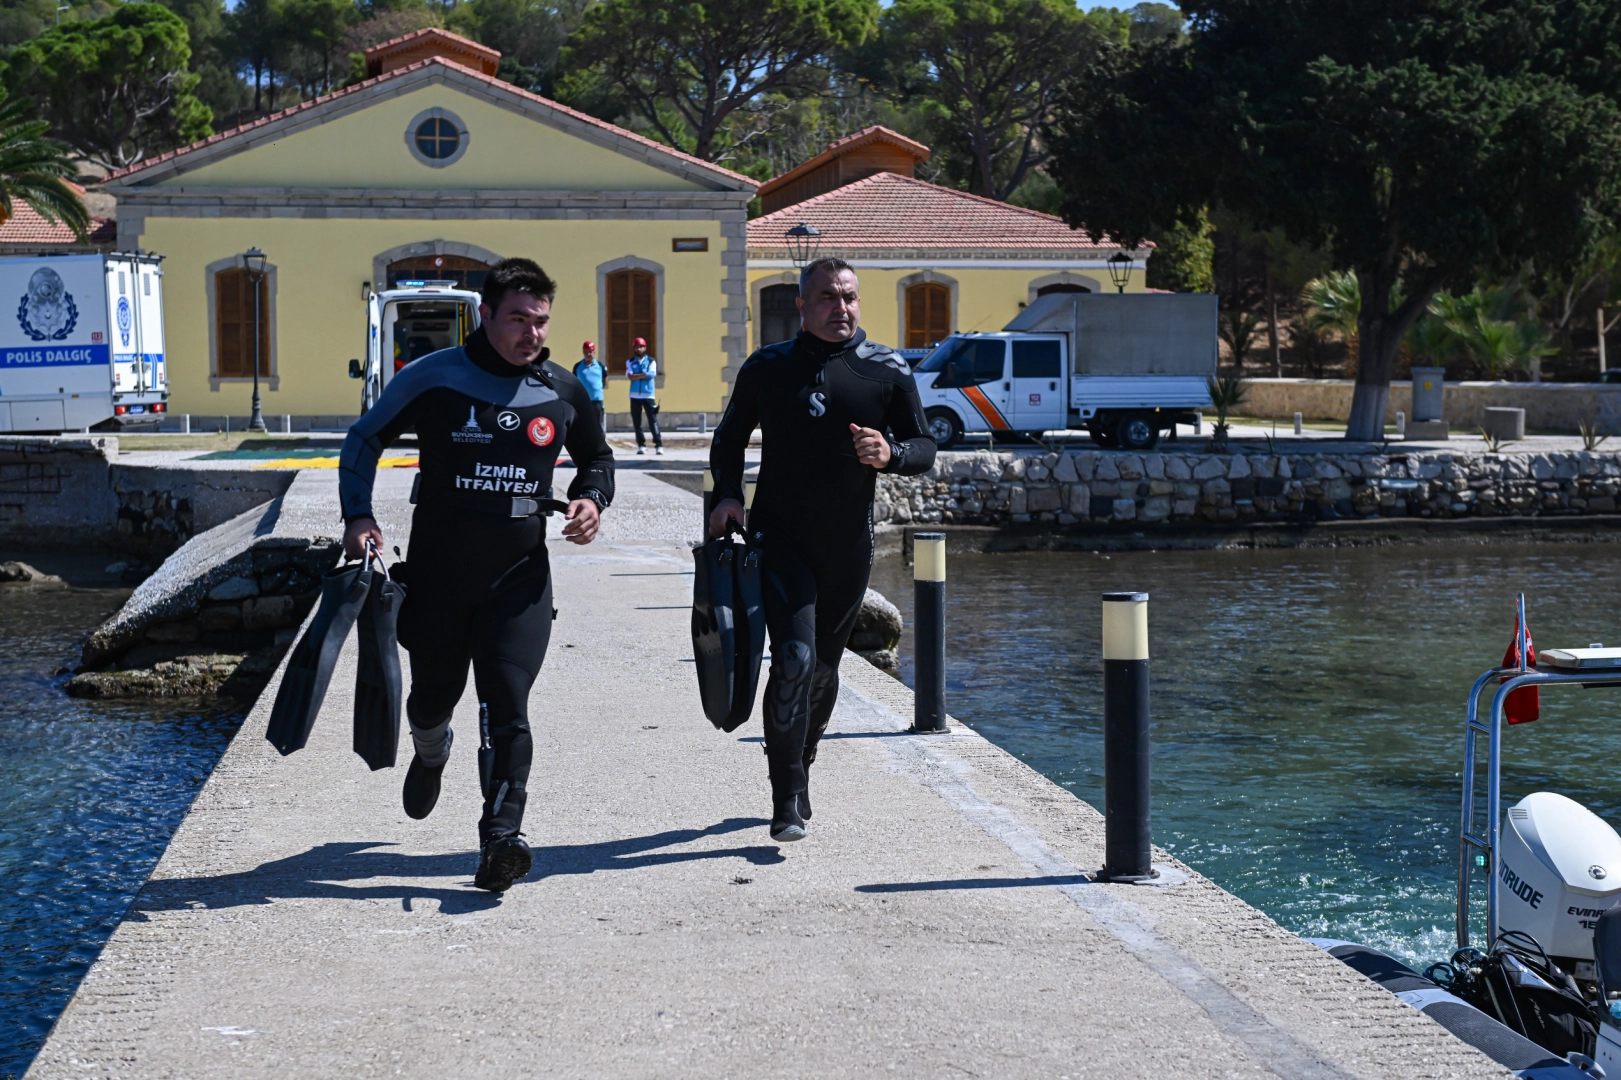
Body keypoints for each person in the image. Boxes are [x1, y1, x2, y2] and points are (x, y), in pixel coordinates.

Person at [338, 258, 614, 893]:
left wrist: (591, 500)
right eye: (517, 318)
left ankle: (501, 839)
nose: (531, 333)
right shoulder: (434, 378)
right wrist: (359, 516)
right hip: (438, 576)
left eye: (540, 321)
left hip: (519, 578)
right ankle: (432, 750)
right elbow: (363, 440)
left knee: (508, 705)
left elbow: (597, 458)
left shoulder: (563, 390)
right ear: (484, 314)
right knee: (432, 698)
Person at [708, 257, 935, 842]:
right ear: (803, 306)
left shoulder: (885, 368)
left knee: (824, 669)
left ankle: (802, 763)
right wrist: (728, 496)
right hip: (779, 537)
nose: (842, 308)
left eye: (850, 297)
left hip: (847, 546)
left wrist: (893, 455)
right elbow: (729, 438)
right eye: (829, 299)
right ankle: (784, 798)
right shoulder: (769, 367)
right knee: (792, 660)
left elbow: (923, 444)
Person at [625, 337, 662, 455]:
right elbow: (630, 376)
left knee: (653, 421)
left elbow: (651, 375)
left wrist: (637, 375)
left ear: (644, 348)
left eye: (641, 347)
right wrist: (643, 375)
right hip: (634, 396)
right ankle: (641, 445)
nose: (638, 349)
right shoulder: (630, 362)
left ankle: (658, 445)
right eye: (636, 347)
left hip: (648, 395)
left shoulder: (651, 361)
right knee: (637, 422)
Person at [573, 340, 606, 430]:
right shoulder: (578, 366)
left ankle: (600, 442)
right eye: (586, 352)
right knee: (584, 423)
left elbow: (604, 380)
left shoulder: (600, 366)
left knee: (598, 423)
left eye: (591, 351)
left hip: (597, 400)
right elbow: (575, 381)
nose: (589, 354)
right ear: (583, 352)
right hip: (583, 400)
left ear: (594, 352)